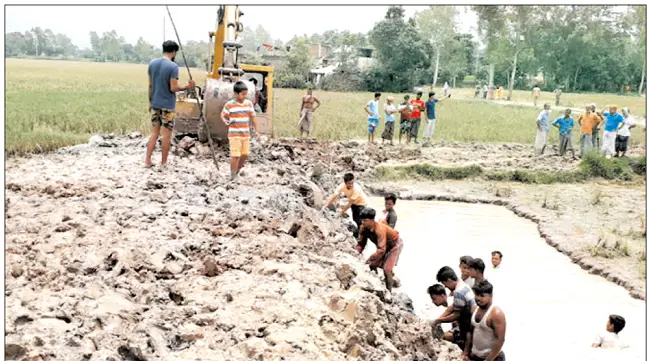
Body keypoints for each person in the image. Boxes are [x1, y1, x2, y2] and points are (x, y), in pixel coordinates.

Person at [145, 40, 196, 169]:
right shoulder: (172, 67)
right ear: (174, 52)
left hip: (155, 104)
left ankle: (147, 160)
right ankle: (163, 163)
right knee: (166, 135)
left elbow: (151, 86)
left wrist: (150, 102)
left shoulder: (152, 64)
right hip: (167, 105)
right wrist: (187, 86)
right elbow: (173, 88)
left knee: (154, 133)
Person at [354, 207, 403, 292]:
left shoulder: (379, 230)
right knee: (372, 265)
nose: (362, 222)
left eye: (365, 220)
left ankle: (389, 292)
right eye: (362, 220)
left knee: (387, 269)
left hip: (395, 245)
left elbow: (381, 250)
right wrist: (355, 253)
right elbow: (361, 244)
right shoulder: (363, 228)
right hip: (383, 246)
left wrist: (370, 258)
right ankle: (376, 285)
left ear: (372, 220)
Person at [221, 81, 259, 181]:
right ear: (236, 94)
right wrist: (225, 120)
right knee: (235, 155)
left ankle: (237, 171)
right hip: (234, 134)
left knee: (245, 154)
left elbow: (253, 117)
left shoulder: (248, 104)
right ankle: (233, 175)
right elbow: (223, 114)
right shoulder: (230, 104)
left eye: (246, 94)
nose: (244, 96)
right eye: (243, 94)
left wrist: (256, 130)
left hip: (245, 134)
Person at [431, 266, 476, 351]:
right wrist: (440, 318)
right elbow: (453, 307)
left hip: (469, 327)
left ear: (449, 280)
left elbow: (456, 315)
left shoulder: (458, 292)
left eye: (445, 284)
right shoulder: (463, 284)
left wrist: (439, 321)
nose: (445, 287)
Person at [463, 280, 506, 361]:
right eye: (477, 295)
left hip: (493, 358)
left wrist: (489, 360)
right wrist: (466, 352)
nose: (478, 298)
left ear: (491, 295)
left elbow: (500, 340)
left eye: (482, 296)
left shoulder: (496, 314)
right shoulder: (474, 309)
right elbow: (470, 332)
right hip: (475, 357)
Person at [323, 173, 368, 238]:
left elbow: (349, 204)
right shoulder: (341, 186)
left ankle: (362, 238)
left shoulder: (356, 189)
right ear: (345, 182)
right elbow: (334, 196)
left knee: (359, 221)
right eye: (349, 183)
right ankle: (357, 237)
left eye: (352, 183)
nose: (351, 185)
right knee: (355, 219)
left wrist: (340, 213)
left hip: (362, 203)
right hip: (354, 203)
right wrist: (326, 205)